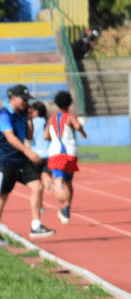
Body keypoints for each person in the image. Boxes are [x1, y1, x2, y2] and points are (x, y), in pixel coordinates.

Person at [0, 84, 54, 246]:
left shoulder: (23, 113)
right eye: (24, 99)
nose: (26, 103)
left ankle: (36, 226)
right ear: (14, 98)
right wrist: (28, 151)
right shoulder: (3, 114)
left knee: (37, 187)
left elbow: (28, 136)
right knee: (1, 197)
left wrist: (29, 120)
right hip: (5, 161)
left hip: (21, 159)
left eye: (27, 100)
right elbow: (10, 137)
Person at [46, 90, 87, 224]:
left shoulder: (52, 118)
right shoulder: (70, 116)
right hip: (70, 153)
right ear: (69, 103)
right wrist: (82, 133)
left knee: (58, 176)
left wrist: (52, 135)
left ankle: (58, 183)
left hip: (56, 152)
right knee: (69, 182)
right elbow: (77, 125)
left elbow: (46, 136)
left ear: (57, 104)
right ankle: (66, 210)